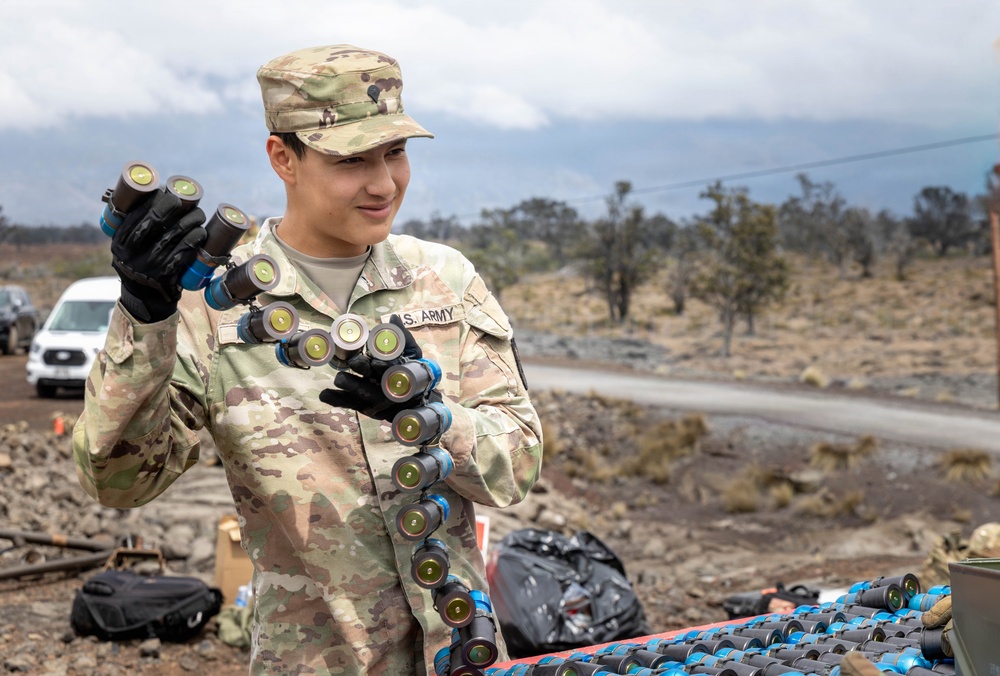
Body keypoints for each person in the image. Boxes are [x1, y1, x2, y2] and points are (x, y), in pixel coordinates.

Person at [73, 44, 544, 674]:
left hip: (462, 654)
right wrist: (145, 317)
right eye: (351, 160)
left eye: (396, 153)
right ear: (282, 157)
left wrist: (428, 415)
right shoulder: (212, 307)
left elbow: (517, 463)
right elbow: (119, 482)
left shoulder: (443, 281)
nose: (383, 184)